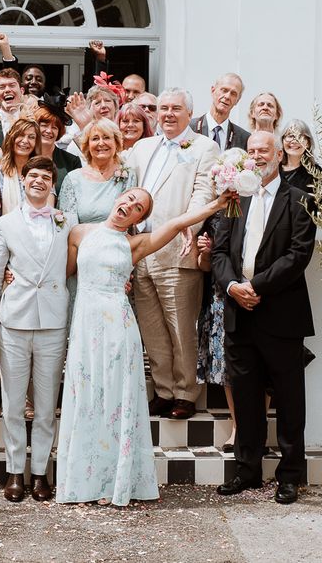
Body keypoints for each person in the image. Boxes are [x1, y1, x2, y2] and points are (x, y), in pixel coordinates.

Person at [57, 186, 234, 506]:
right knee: (86, 398)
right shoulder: (79, 233)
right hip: (85, 328)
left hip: (118, 330)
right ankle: (86, 479)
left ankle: (116, 480)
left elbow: (178, 222)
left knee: (114, 401)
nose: (130, 205)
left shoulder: (134, 244)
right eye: (128, 198)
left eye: (138, 206)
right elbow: (64, 272)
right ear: (118, 198)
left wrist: (216, 205)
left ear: (140, 218)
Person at [212, 131, 316, 505]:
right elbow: (221, 252)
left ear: (278, 155)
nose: (256, 155)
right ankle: (247, 470)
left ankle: (290, 476)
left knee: (290, 400)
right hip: (239, 313)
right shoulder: (233, 200)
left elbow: (298, 254)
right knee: (246, 395)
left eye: (263, 150)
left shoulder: (299, 200)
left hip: (281, 313)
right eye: (251, 150)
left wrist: (256, 285)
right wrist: (232, 287)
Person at [0, 157, 70, 503]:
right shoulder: (4, 225)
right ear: (23, 181)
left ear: (53, 185)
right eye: (33, 176)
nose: (39, 182)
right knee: (14, 403)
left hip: (54, 322)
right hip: (14, 321)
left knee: (46, 405)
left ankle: (41, 473)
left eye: (46, 177)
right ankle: (15, 471)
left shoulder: (67, 222)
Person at [125, 88, 219, 420]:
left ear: (188, 113)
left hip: (178, 251)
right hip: (141, 251)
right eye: (163, 108)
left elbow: (203, 193)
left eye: (175, 108)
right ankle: (164, 390)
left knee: (181, 327)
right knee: (152, 329)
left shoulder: (204, 147)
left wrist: (188, 227)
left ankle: (185, 393)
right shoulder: (141, 147)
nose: (167, 114)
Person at [195, 214, 236, 450]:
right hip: (221, 297)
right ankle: (237, 426)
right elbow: (204, 266)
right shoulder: (214, 218)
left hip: (256, 287)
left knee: (260, 365)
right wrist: (207, 251)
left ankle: (257, 426)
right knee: (227, 366)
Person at [58, 118, 136, 227]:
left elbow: (129, 220)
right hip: (81, 241)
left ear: (116, 142)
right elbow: (67, 224)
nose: (101, 143)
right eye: (95, 139)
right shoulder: (73, 178)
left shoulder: (128, 175)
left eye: (106, 137)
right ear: (87, 145)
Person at [0, 117, 42, 215]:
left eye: (31, 137)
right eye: (21, 135)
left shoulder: (42, 170)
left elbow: (48, 207)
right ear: (12, 138)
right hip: (4, 227)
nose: (25, 141)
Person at [190, 73, 250, 151]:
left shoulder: (243, 138)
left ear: (237, 100)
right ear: (213, 90)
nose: (227, 96)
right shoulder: (189, 128)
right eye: (224, 90)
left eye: (233, 94)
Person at [34, 104, 81, 195]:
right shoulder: (24, 156)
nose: (49, 131)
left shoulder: (72, 161)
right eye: (44, 125)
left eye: (54, 127)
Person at [280, 119, 317, 193]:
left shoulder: (316, 173)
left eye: (300, 137)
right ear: (282, 140)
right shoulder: (273, 169)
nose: (294, 141)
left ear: (308, 143)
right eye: (290, 136)